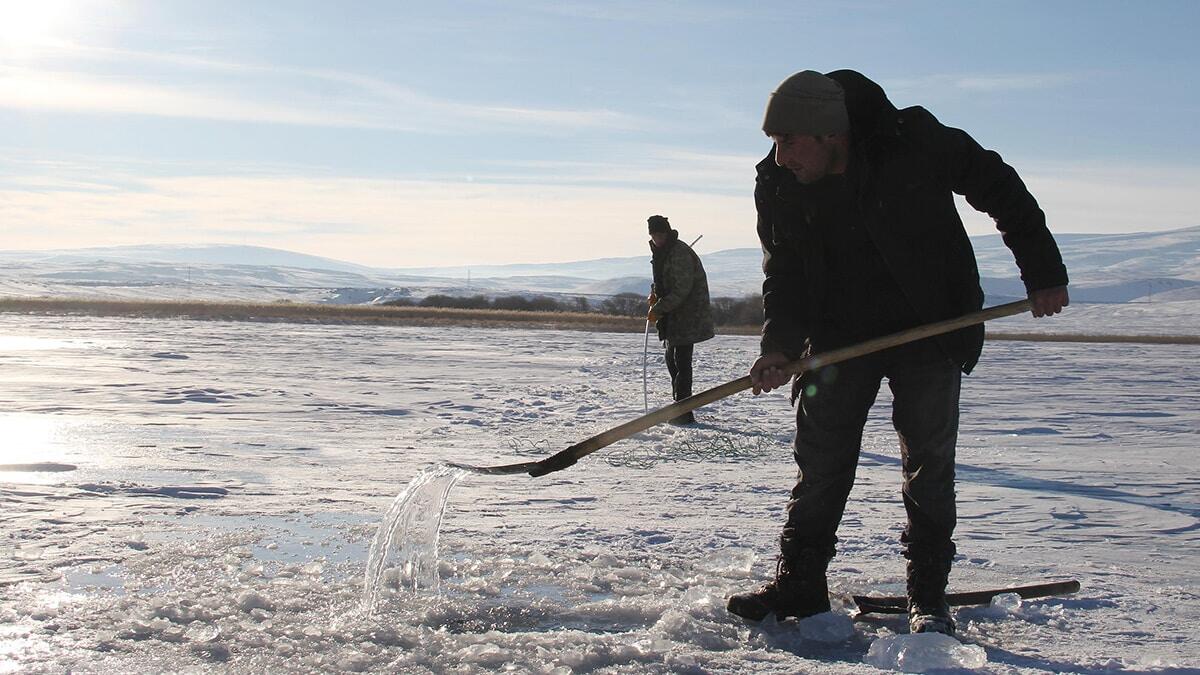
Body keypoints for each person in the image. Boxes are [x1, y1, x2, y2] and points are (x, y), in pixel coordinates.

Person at [725, 70, 1069, 635]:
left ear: (828, 134)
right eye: (774, 141)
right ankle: (800, 584)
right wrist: (780, 346)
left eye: (788, 140)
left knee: (928, 465)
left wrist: (1043, 271)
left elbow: (998, 185)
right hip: (838, 338)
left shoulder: (912, 140)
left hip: (931, 326)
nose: (779, 155)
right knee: (821, 463)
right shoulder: (779, 182)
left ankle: (927, 594)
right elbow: (782, 271)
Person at [646, 215, 715, 425]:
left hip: (688, 316)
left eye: (660, 234)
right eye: (654, 235)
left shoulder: (679, 253)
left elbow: (681, 289)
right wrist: (655, 293)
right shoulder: (662, 253)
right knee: (671, 359)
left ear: (667, 232)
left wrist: (659, 308)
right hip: (673, 316)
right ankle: (680, 406)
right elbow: (665, 280)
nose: (657, 239)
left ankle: (683, 411)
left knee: (681, 363)